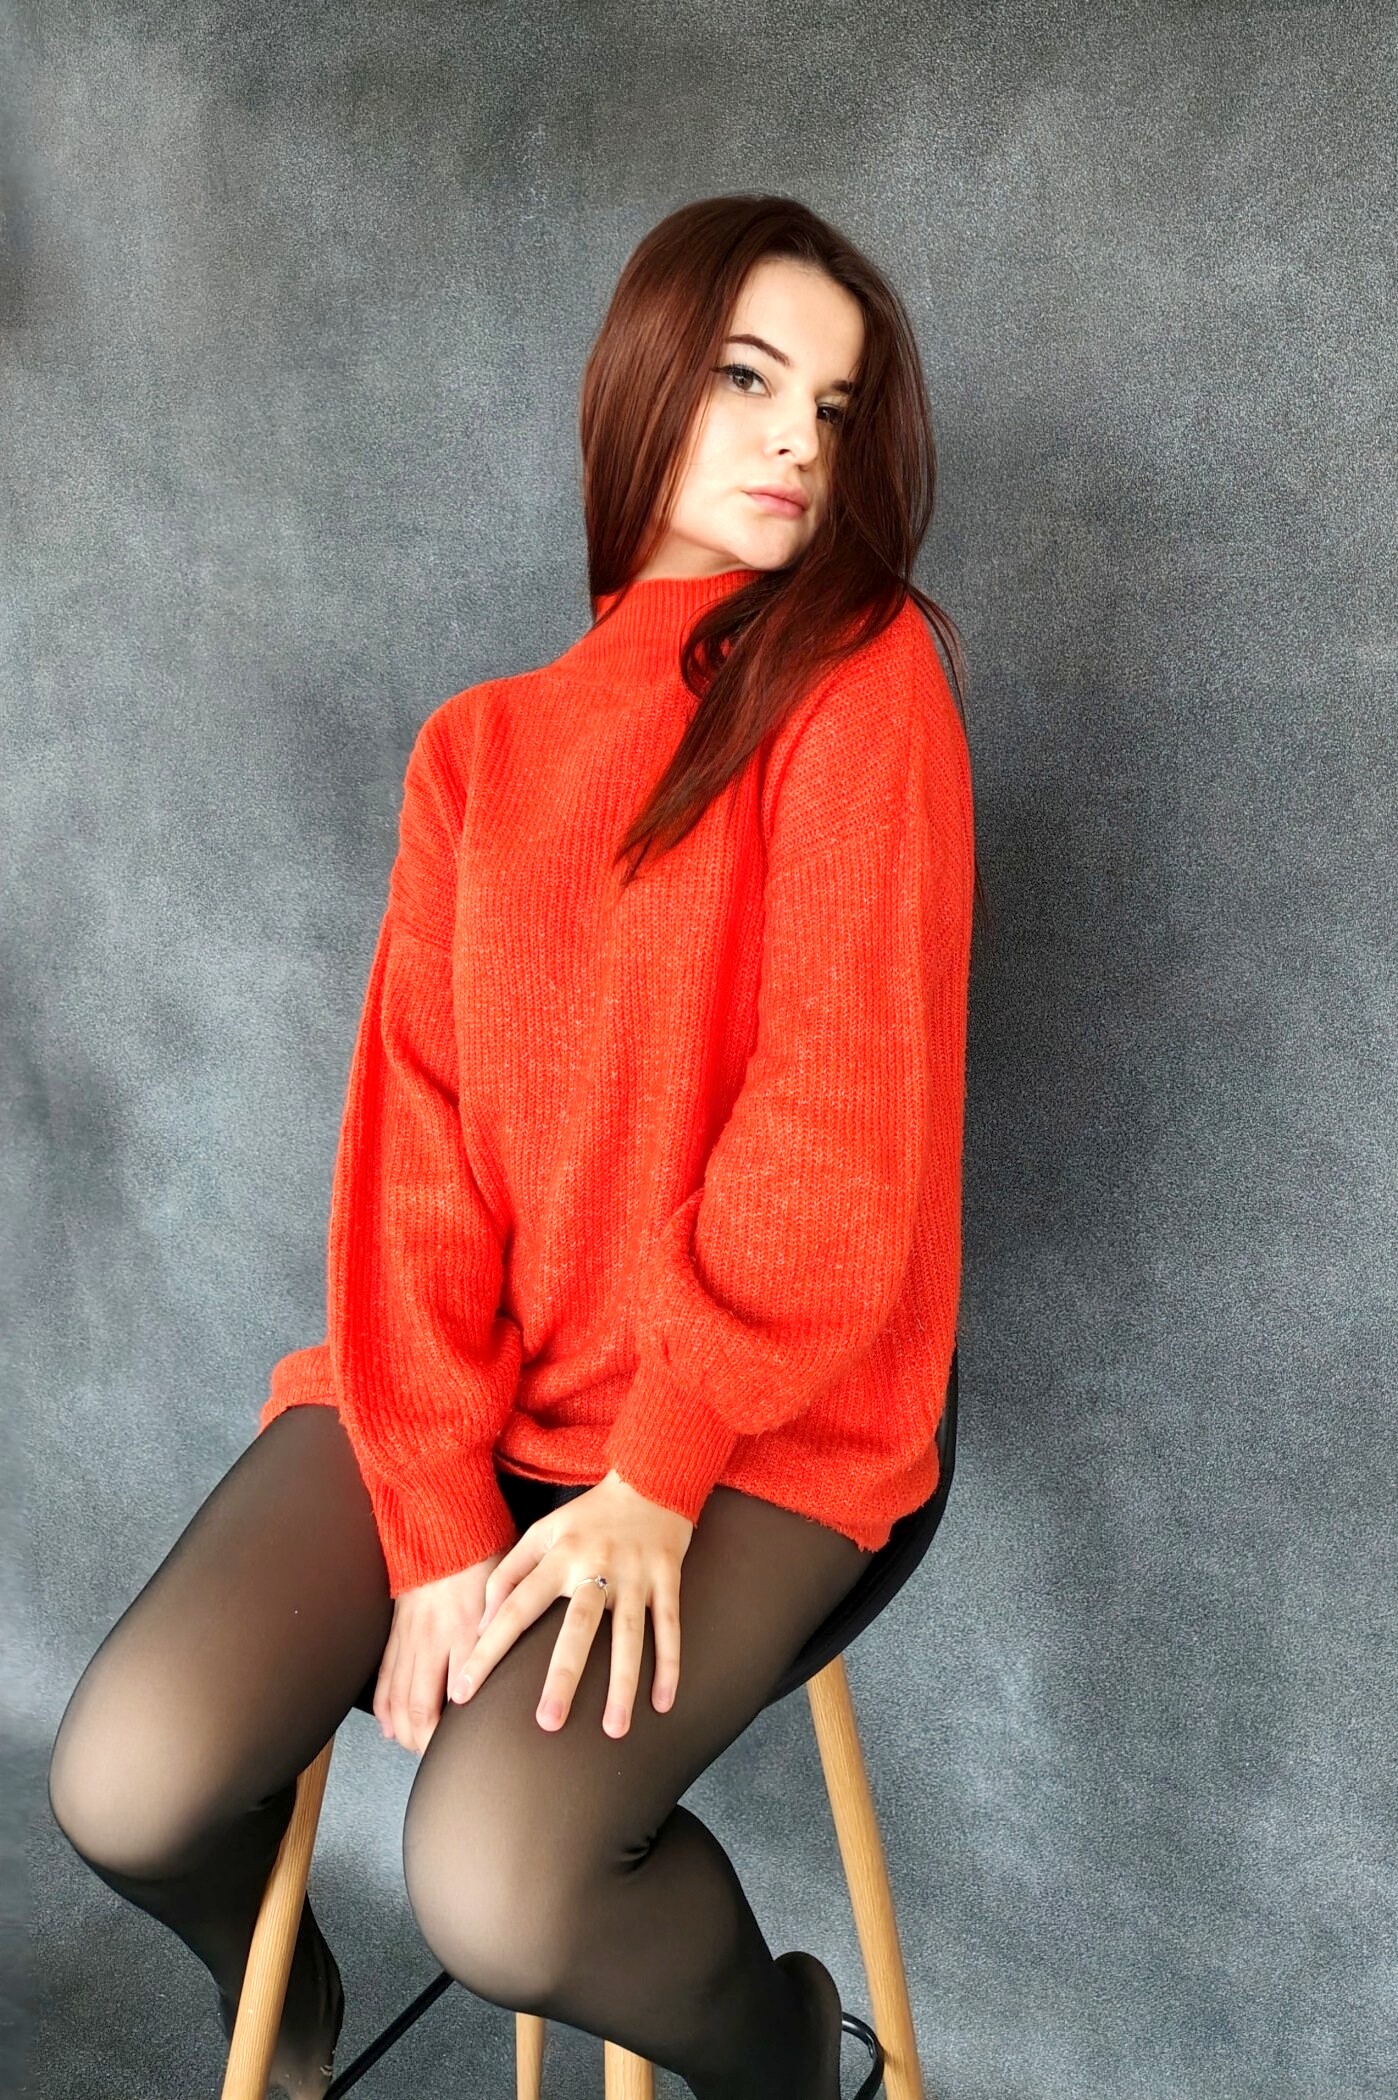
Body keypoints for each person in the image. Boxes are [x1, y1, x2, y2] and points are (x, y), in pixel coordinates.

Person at [46, 194, 980, 2100]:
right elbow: (417, 1150)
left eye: (832, 405)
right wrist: (435, 1516)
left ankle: (788, 2057)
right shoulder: (478, 748)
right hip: (487, 1376)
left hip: (766, 1413)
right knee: (127, 1779)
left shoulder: (864, 673)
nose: (798, 442)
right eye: (746, 380)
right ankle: (289, 2009)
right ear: (639, 380)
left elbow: (833, 1122)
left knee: (496, 1885)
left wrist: (654, 1470)